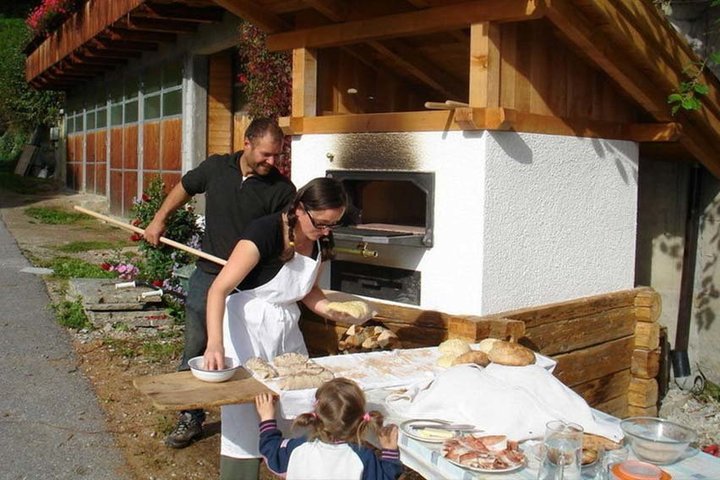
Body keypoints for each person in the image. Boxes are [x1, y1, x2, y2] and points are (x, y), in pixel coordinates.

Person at [143, 118, 296, 449]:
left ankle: (264, 420)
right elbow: (185, 186)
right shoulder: (216, 168)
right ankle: (191, 415)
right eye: (267, 155)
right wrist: (158, 220)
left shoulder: (282, 191)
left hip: (253, 283)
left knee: (254, 350)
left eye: (277, 156)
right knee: (197, 347)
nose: (273, 162)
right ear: (247, 143)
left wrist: (287, 249)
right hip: (209, 273)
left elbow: (285, 238)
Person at [203, 177, 358, 479]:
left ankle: (294, 469)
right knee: (245, 416)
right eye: (322, 223)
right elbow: (218, 290)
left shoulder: (322, 239)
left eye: (333, 224)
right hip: (246, 327)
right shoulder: (264, 232)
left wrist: (330, 309)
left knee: (298, 406)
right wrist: (215, 344)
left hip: (287, 330)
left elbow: (308, 290)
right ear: (300, 208)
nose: (327, 231)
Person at [255, 378, 402, 480]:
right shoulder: (363, 457)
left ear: (317, 414)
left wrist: (267, 418)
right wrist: (389, 452)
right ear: (359, 421)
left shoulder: (299, 447)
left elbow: (270, 450)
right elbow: (385, 477)